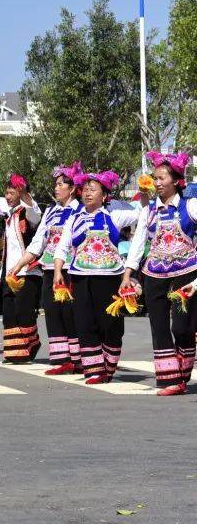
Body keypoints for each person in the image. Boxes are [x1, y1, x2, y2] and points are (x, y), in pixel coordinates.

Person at [53, 170, 140, 384]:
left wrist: (145, 193)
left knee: (110, 324)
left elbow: (144, 214)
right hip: (81, 277)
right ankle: (94, 370)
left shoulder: (114, 215)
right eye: (86, 190)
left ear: (104, 195)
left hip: (110, 277)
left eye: (94, 190)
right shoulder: (74, 218)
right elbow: (62, 247)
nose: (88, 193)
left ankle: (108, 366)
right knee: (84, 322)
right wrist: (57, 271)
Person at [125, 151, 197, 395]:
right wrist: (129, 272)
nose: (156, 182)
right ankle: (170, 379)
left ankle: (183, 372)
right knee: (158, 326)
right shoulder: (149, 211)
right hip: (154, 274)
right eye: (154, 178)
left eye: (161, 178)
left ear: (176, 180)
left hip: (185, 273)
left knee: (182, 328)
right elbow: (138, 243)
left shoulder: (191, 205)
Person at [10, 162, 84, 375]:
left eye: (61, 184)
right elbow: (38, 243)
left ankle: (78, 359)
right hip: (49, 269)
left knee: (71, 313)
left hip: (72, 269)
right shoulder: (50, 211)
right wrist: (20, 264)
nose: (56, 188)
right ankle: (62, 360)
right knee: (52, 313)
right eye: (56, 184)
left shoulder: (80, 210)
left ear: (72, 188)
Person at [0, 174, 42, 364]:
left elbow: (35, 213)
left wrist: (24, 193)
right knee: (9, 314)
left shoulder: (28, 213)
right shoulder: (9, 216)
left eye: (11, 192)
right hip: (10, 273)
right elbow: (8, 250)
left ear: (21, 192)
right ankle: (15, 353)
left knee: (24, 314)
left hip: (28, 272)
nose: (7, 196)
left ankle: (30, 346)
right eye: (6, 192)